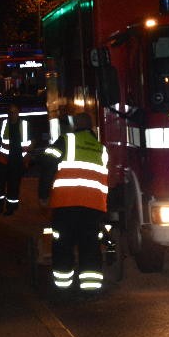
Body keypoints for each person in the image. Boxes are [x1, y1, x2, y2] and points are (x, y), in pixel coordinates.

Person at [38, 112, 109, 294]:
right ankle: (90, 290)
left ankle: (63, 290)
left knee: (63, 246)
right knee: (90, 247)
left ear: (76, 125)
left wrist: (44, 194)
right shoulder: (101, 148)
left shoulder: (66, 141)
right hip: (93, 207)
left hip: (66, 204)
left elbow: (47, 163)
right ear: (91, 127)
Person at [0, 101, 30, 216]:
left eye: (14, 112)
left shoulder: (24, 125)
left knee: (13, 186)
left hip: (17, 161)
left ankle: (11, 208)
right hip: (3, 160)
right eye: (10, 112)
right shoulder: (4, 123)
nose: (12, 114)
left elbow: (29, 144)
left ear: (18, 112)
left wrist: (25, 161)